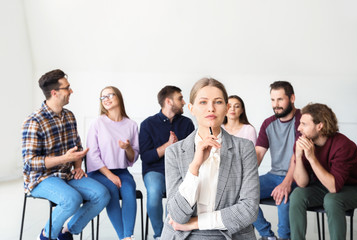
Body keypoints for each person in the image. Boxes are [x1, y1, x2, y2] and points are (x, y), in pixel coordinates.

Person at [161, 77, 260, 239]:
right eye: (203, 102)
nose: (211, 108)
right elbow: (177, 216)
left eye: (218, 102)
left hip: (229, 235)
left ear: (227, 108)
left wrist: (196, 223)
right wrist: (194, 166)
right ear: (191, 108)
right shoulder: (174, 152)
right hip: (183, 236)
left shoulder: (244, 148)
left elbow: (249, 209)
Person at [22, 69, 110, 240]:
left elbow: (76, 146)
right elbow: (29, 163)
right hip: (41, 178)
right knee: (72, 199)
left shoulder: (69, 116)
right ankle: (47, 235)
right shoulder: (34, 121)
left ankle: (66, 232)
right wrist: (65, 159)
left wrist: (77, 166)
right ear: (54, 93)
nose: (71, 91)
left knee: (102, 194)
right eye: (67, 88)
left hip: (66, 174)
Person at [289, 103, 357, 240]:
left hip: (354, 188)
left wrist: (311, 157)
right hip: (325, 185)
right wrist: (298, 156)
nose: (299, 128)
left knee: (332, 199)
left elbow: (333, 187)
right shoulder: (305, 143)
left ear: (319, 126)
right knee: (297, 194)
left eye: (304, 124)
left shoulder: (344, 146)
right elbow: (302, 183)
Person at [139, 85, 195, 239]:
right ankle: (159, 235)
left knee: (176, 196)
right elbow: (146, 157)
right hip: (155, 171)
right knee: (154, 192)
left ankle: (171, 235)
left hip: (179, 171)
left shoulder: (187, 124)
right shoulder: (147, 124)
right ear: (169, 101)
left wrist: (177, 148)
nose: (184, 102)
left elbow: (192, 154)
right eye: (180, 98)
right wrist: (167, 147)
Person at [86, 86, 139, 240]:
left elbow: (133, 158)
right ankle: (124, 237)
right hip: (99, 171)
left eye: (110, 95)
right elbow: (92, 155)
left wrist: (128, 148)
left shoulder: (132, 125)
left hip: (121, 171)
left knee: (129, 190)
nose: (106, 99)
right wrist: (110, 176)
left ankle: (128, 236)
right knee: (112, 191)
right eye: (103, 97)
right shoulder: (97, 123)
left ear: (119, 97)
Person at [253, 81, 301, 240]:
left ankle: (284, 237)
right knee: (242, 193)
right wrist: (244, 178)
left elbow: (298, 155)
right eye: (273, 100)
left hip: (297, 177)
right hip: (273, 175)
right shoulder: (268, 123)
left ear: (292, 98)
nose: (276, 105)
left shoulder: (303, 120)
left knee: (284, 199)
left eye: (280, 99)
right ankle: (267, 235)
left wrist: (286, 183)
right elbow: (258, 154)